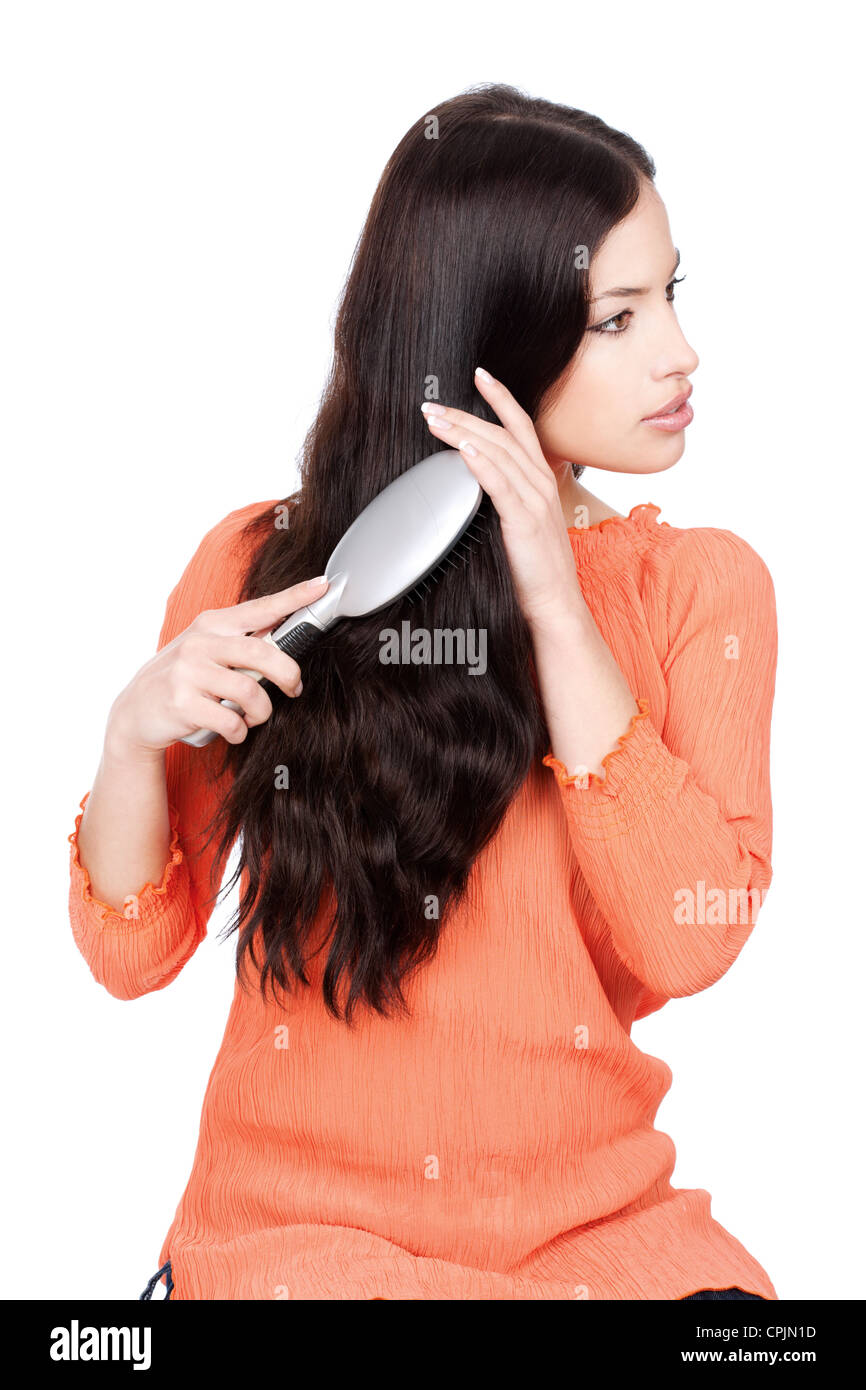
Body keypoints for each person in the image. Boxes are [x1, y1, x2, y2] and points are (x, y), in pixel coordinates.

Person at [69, 83, 778, 1301]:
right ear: (484, 334)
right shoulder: (265, 570)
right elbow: (131, 953)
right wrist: (131, 735)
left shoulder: (694, 587)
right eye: (615, 318)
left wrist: (553, 599)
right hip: (302, 1247)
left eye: (670, 295)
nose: (678, 352)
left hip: (594, 1238)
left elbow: (686, 936)